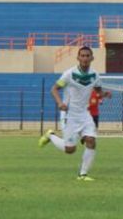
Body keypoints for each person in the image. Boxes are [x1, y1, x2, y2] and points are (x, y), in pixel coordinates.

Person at [38, 46, 111, 181]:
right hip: (69, 115)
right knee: (70, 150)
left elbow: (98, 90)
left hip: (84, 114)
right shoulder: (69, 74)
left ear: (92, 58)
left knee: (91, 140)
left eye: (87, 55)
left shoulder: (95, 75)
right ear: (78, 58)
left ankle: (82, 174)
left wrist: (104, 94)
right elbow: (54, 89)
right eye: (82, 55)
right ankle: (51, 135)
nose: (84, 58)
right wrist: (60, 103)